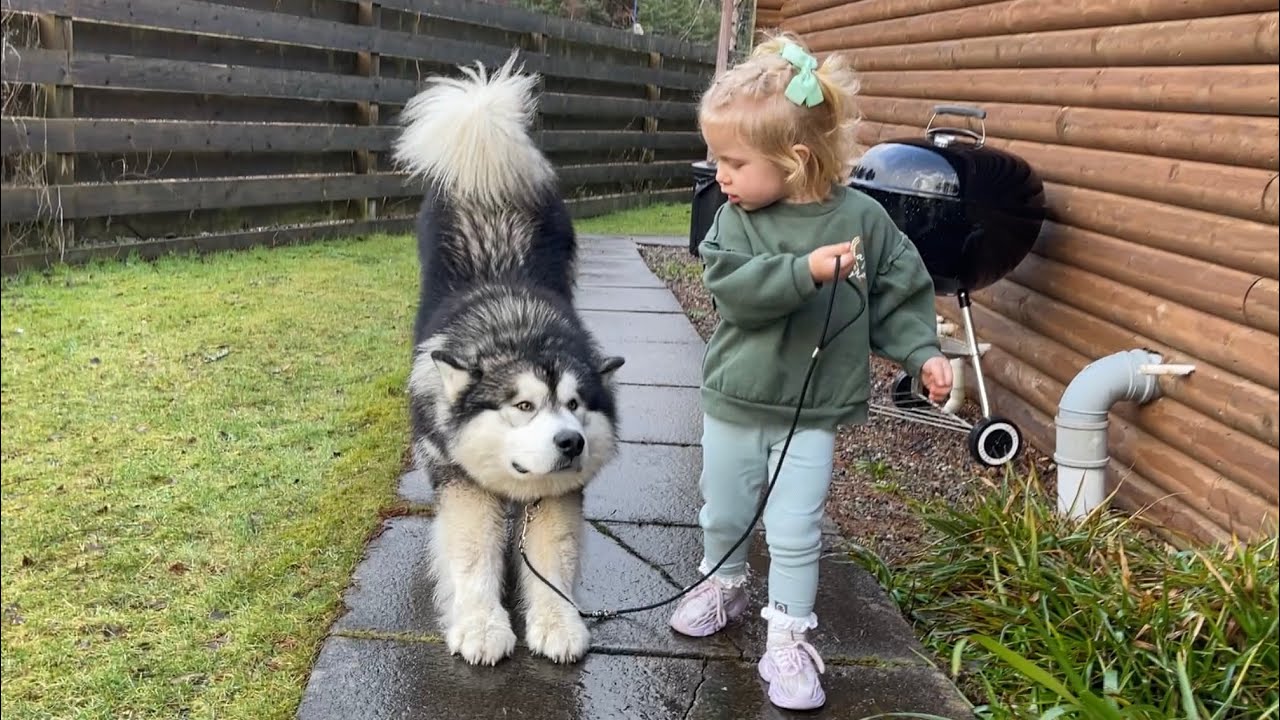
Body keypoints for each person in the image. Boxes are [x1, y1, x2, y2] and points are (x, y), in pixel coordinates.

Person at [669, 33, 954, 711]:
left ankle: (788, 640)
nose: (721, 174)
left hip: (814, 408)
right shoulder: (733, 218)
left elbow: (898, 290)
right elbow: (734, 289)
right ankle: (725, 582)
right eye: (719, 160)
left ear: (795, 160)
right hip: (738, 396)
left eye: (734, 161)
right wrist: (806, 270)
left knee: (797, 526)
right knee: (727, 506)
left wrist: (924, 352)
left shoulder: (864, 221)